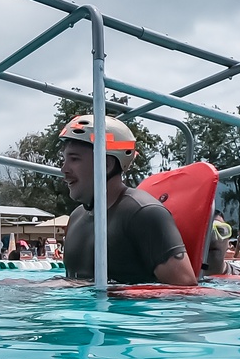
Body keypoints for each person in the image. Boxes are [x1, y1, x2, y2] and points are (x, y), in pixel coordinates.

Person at [59, 114, 197, 285]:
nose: (63, 169)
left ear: (106, 164)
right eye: (65, 159)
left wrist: (100, 290)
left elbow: (185, 289)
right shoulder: (76, 217)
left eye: (74, 159)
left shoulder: (145, 213)